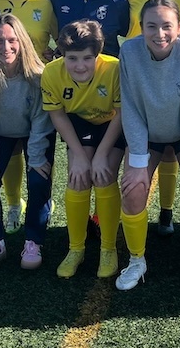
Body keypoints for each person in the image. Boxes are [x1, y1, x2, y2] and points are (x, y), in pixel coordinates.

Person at [116, 0, 180, 291]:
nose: (159, 34)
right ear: (141, 27)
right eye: (151, 26)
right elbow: (131, 106)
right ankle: (136, 260)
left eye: (166, 26)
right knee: (133, 190)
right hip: (148, 135)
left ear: (179, 27)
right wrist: (136, 160)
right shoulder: (129, 52)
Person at [117, 0, 180, 236]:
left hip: (174, 71)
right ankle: (143, 214)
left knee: (172, 144)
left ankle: (166, 211)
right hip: (140, 74)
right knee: (143, 143)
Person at [0, 14, 56, 271]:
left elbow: (42, 118)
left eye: (12, 40)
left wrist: (36, 157)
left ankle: (33, 240)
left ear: (22, 41)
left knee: (39, 178)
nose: (6, 48)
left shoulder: (38, 76)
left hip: (34, 132)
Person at [43, 21, 125, 279]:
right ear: (62, 55)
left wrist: (101, 154)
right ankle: (75, 248)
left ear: (98, 55)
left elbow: (122, 114)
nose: (80, 66)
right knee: (77, 177)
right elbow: (57, 115)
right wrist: (78, 154)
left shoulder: (114, 69)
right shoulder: (51, 73)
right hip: (78, 123)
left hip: (112, 123)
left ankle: (108, 248)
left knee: (104, 175)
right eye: (72, 58)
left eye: (88, 58)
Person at [0, 0, 59, 236]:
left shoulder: (45, 4)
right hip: (4, 86)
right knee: (11, 146)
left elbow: (59, 37)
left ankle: (42, 203)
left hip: (39, 86)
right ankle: (15, 204)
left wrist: (53, 55)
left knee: (41, 149)